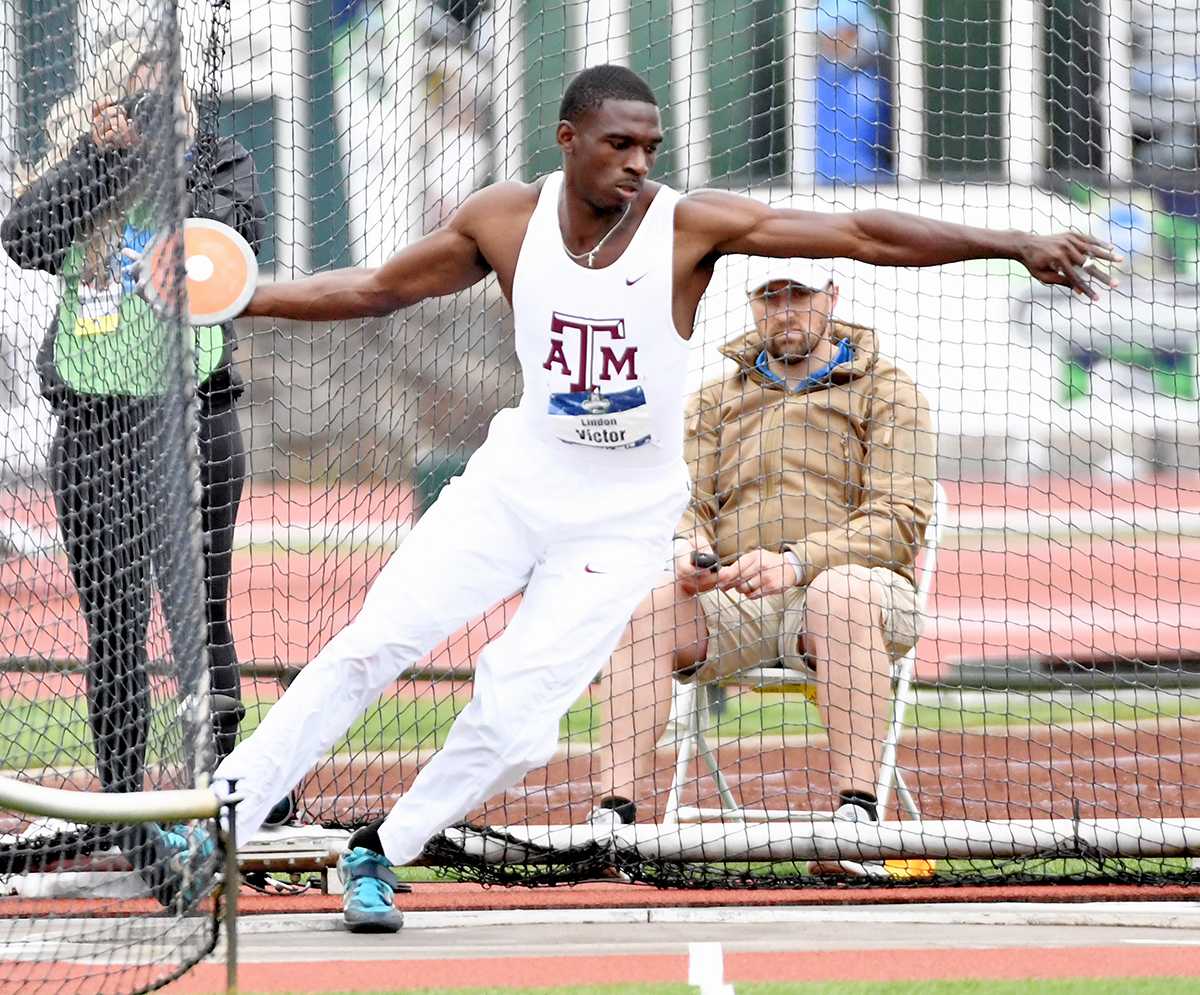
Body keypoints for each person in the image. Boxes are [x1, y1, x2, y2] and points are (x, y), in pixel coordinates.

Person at [209, 63, 1117, 932]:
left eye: (651, 145)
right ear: (569, 141)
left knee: (518, 721)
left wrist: (1012, 242)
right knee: (372, 643)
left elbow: (860, 235)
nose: (640, 163)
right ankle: (223, 818)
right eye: (619, 145)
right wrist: (237, 297)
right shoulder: (502, 221)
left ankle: (379, 850)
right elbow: (372, 289)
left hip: (623, 515)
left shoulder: (686, 226)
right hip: (515, 483)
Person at [0, 43, 266, 903]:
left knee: (203, 623)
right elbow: (24, 237)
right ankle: (128, 813)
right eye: (137, 97)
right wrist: (102, 157)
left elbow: (235, 235)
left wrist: (162, 154)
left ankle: (227, 798)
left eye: (168, 95)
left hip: (192, 423)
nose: (155, 109)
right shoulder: (85, 169)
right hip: (93, 424)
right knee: (113, 630)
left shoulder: (218, 160)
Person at [589, 265, 933, 877]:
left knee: (841, 591)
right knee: (644, 600)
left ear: (831, 296)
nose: (784, 310)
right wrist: (688, 552)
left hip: (857, 591)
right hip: (735, 596)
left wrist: (797, 562)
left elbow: (900, 518)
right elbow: (684, 504)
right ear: (754, 306)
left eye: (798, 295)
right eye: (770, 297)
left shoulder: (888, 391)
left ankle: (855, 824)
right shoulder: (715, 400)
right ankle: (612, 825)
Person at [814, 0, 892, 184]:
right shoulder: (815, 82)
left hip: (871, 185)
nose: (832, 42)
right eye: (827, 35)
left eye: (841, 33)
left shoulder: (877, 83)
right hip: (818, 188)